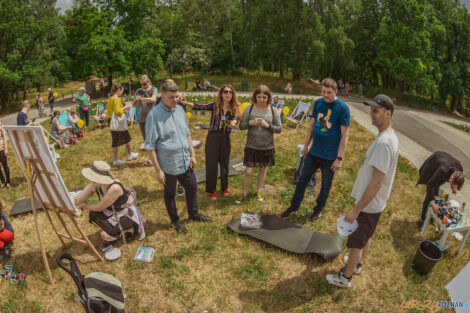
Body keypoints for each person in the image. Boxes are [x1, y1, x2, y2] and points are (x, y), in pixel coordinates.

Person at [325, 94, 399, 288]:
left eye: (376, 111)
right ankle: (357, 265)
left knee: (357, 241)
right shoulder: (389, 136)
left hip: (369, 204)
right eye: (371, 109)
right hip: (376, 203)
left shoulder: (384, 143)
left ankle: (345, 278)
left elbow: (376, 182)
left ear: (388, 113)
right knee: (367, 236)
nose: (371, 114)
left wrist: (356, 209)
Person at [145, 81, 211, 234]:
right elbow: (150, 146)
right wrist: (158, 170)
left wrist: (193, 155)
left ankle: (193, 214)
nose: (175, 100)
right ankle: (175, 221)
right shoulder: (154, 116)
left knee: (192, 186)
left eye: (177, 96)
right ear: (162, 97)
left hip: (185, 159)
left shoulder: (180, 110)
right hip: (168, 164)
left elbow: (187, 133)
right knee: (170, 193)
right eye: (171, 97)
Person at [281, 78, 350, 221]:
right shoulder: (318, 103)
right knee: (302, 179)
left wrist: (339, 158)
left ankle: (318, 210)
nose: (325, 95)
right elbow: (312, 126)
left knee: (325, 186)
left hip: (330, 156)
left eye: (329, 92)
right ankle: (294, 206)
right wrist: (306, 145)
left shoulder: (342, 108)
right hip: (314, 152)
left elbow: (345, 136)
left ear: (336, 91)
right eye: (323, 92)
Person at [184, 84, 241, 199]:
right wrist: (186, 103)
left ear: (232, 94)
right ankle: (212, 190)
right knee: (211, 164)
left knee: (224, 164)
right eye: (225, 91)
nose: (228, 94)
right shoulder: (215, 106)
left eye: (230, 92)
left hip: (225, 137)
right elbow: (200, 106)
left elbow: (237, 118)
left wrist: (234, 122)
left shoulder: (234, 108)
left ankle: (224, 188)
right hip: (213, 137)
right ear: (221, 93)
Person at [73, 161, 146, 250]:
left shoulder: (115, 187)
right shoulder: (95, 184)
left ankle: (130, 229)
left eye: (93, 177)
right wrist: (70, 204)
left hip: (124, 215)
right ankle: (115, 231)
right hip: (111, 212)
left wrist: (83, 206)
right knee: (93, 215)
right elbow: (77, 199)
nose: (91, 180)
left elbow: (99, 207)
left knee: (104, 235)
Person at [237, 85, 282, 203]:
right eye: (259, 97)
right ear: (255, 97)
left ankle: (258, 191)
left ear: (268, 97)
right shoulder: (250, 109)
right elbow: (241, 126)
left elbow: (279, 129)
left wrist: (269, 126)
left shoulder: (273, 110)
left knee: (262, 170)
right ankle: (244, 193)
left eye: (264, 97)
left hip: (266, 146)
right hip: (251, 145)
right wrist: (250, 123)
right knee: (248, 171)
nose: (262, 100)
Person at [416, 151, 465, 230]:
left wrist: (454, 188)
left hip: (442, 165)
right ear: (451, 178)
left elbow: (453, 182)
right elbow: (430, 185)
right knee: (429, 198)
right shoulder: (442, 170)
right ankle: (422, 220)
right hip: (432, 166)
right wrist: (432, 203)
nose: (451, 187)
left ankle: (431, 216)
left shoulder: (459, 170)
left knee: (436, 195)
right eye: (452, 185)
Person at [106, 83, 139, 166]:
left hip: (111, 121)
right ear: (118, 90)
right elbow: (118, 112)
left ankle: (116, 159)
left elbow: (109, 111)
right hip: (118, 122)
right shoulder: (117, 99)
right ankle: (129, 154)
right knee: (127, 137)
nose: (122, 92)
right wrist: (125, 108)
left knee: (115, 141)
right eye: (122, 90)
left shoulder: (110, 99)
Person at [133, 75, 158, 166]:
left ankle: (155, 159)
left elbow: (153, 99)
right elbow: (134, 104)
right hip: (142, 119)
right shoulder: (139, 91)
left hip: (152, 119)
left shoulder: (153, 89)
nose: (143, 85)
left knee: (153, 139)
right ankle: (151, 159)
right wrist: (135, 101)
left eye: (144, 83)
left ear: (148, 81)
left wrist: (142, 99)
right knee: (147, 140)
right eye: (141, 84)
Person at [0, 123, 10, 189]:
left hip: (1, 150)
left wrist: (6, 149)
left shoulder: (1, 126)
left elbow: (4, 138)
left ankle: (8, 181)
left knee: (5, 166)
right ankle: (3, 181)